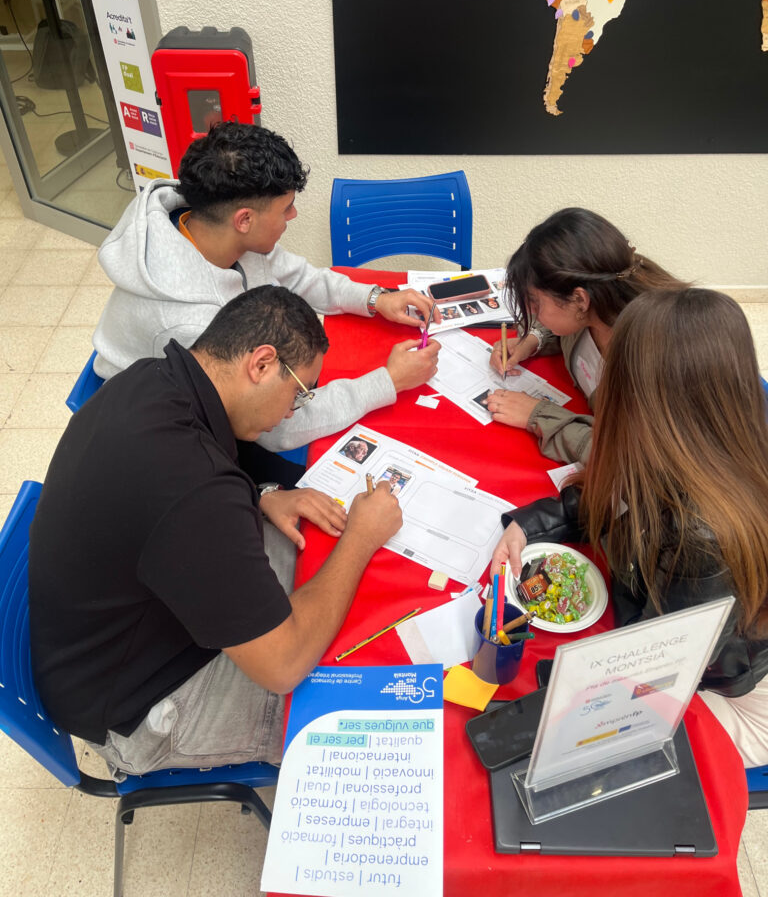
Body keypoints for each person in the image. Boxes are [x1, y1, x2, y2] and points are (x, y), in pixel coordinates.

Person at [29, 286, 403, 775]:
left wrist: (262, 494)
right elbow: (284, 665)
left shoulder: (151, 376)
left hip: (110, 639)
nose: (293, 410)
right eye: (299, 392)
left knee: (330, 574)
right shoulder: (194, 487)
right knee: (361, 704)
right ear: (262, 364)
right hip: (139, 710)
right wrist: (361, 538)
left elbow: (174, 504)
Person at [491, 289, 768, 766]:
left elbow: (652, 668)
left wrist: (550, 688)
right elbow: (619, 492)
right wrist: (530, 524)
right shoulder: (688, 447)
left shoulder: (705, 536)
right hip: (680, 637)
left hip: (729, 693)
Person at [92, 121, 440, 455]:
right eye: (286, 208)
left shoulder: (208, 223)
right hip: (163, 433)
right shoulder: (189, 324)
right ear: (244, 219)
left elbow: (301, 278)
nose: (293, 215)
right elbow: (277, 425)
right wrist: (389, 381)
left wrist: (375, 298)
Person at [486, 208, 684, 463]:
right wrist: (534, 339)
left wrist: (538, 416)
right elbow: (567, 320)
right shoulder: (601, 298)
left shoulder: (652, 365)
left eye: (535, 302)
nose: (532, 312)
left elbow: (634, 461)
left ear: (580, 299)